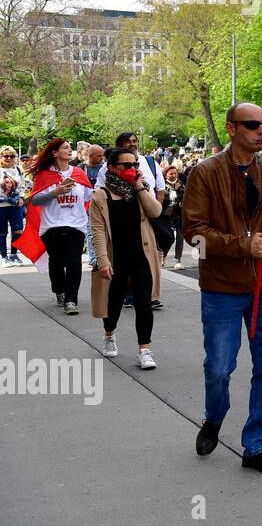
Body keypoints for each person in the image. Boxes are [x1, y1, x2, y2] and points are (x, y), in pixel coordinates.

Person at [183, 104, 262, 475]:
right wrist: (242, 245)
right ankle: (215, 416)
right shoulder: (205, 173)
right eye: (253, 125)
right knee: (219, 367)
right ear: (232, 128)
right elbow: (194, 235)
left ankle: (256, 445)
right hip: (221, 287)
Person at [90, 147, 163, 367]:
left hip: (141, 256)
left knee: (144, 303)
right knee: (113, 303)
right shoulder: (101, 196)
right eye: (127, 165)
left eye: (135, 165)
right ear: (112, 168)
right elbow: (98, 230)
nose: (133, 169)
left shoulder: (140, 190)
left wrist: (139, 186)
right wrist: (102, 261)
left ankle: (145, 350)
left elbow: (156, 212)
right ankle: (109, 334)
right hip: (115, 258)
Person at [16, 138, 93, 313]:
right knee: (57, 261)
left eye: (70, 147)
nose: (69, 150)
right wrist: (55, 192)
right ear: (54, 153)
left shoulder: (79, 173)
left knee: (74, 261)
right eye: (65, 148)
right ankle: (59, 290)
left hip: (76, 225)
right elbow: (34, 200)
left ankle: (71, 300)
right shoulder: (44, 175)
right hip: (52, 226)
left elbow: (90, 197)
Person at [0, 145, 26, 266]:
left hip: (15, 204)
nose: (9, 158)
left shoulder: (18, 169)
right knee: (2, 231)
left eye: (12, 156)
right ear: (1, 157)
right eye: (6, 156)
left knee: (18, 230)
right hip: (1, 205)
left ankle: (14, 254)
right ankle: (4, 256)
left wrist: (21, 197)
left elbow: (22, 186)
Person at [161, 164, 187, 269]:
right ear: (166, 174)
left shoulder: (181, 184)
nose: (173, 175)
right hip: (167, 215)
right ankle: (163, 256)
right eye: (171, 173)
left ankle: (178, 260)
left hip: (179, 215)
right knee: (168, 237)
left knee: (180, 238)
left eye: (175, 173)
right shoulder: (162, 185)